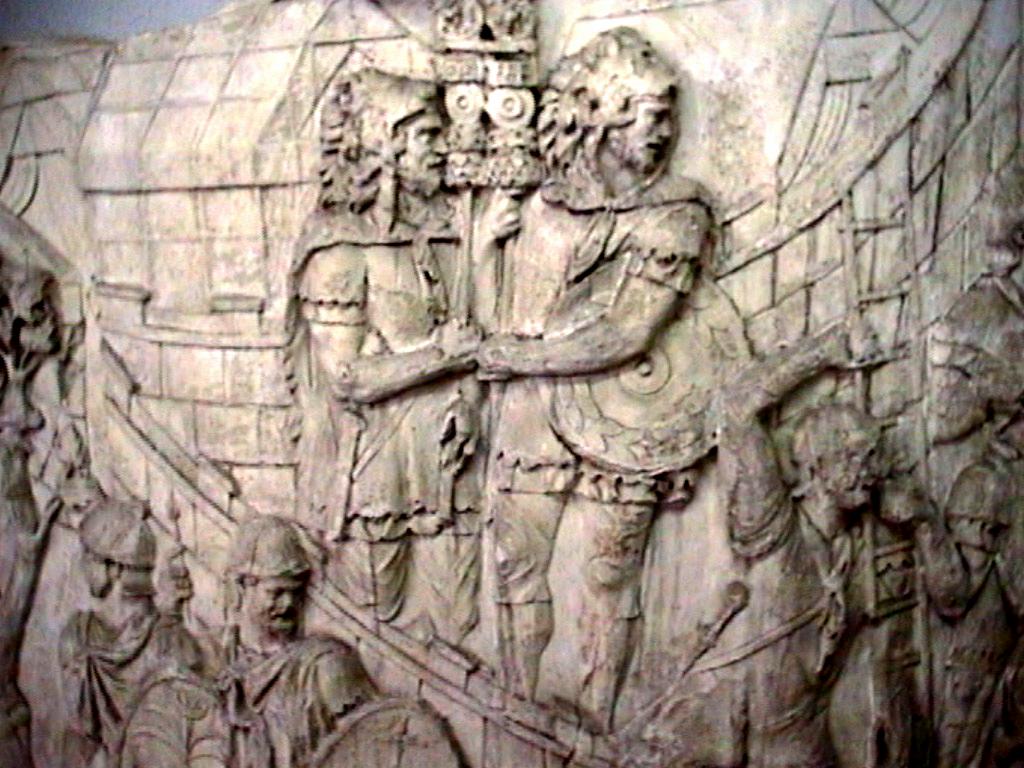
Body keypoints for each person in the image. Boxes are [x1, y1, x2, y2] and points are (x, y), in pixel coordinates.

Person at [477, 26, 712, 727]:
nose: (663, 132)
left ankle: (599, 721)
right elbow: (503, 320)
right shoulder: (542, 206)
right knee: (517, 564)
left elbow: (627, 331)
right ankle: (518, 713)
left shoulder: (677, 213)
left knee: (610, 575)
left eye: (668, 117)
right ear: (601, 116)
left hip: (627, 413)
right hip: (530, 413)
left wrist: (519, 358)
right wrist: (486, 248)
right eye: (649, 115)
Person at [290, 67, 482, 641]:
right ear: (384, 147)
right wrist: (442, 357)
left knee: (462, 626)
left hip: (450, 459)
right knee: (377, 627)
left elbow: (473, 337)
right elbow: (348, 377)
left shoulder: (450, 232)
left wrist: (467, 399)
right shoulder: (339, 248)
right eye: (427, 135)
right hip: (374, 471)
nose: (442, 148)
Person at [219, 515, 376, 768]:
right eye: (277, 592)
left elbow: (372, 747)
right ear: (241, 589)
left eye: (296, 592)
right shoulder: (216, 657)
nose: (288, 603)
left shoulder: (326, 666)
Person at [59, 499, 202, 768]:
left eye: (88, 555)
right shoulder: (79, 635)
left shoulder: (78, 638)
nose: (82, 563)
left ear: (113, 567)